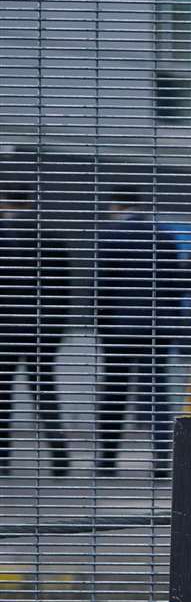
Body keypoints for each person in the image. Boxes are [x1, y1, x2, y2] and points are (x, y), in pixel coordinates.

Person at [94, 186, 183, 474]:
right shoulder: (164, 236)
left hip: (119, 328)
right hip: (158, 327)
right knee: (157, 392)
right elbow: (175, 285)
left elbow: (103, 287)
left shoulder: (110, 236)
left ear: (116, 205)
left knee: (115, 392)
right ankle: (161, 459)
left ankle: (107, 458)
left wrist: (101, 324)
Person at [0, 183, 71, 476]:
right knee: (45, 392)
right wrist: (56, 328)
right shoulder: (50, 238)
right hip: (42, 330)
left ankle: (2, 456)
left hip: (4, 328)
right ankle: (59, 455)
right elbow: (63, 290)